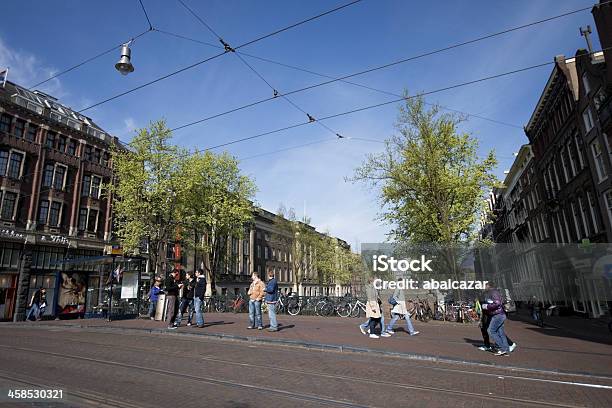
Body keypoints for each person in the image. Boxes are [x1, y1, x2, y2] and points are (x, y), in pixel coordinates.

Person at [481, 282, 511, 356]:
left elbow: (497, 303)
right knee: (500, 333)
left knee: (491, 331)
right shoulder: (494, 292)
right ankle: (506, 350)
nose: (484, 287)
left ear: (489, 286)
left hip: (498, 315)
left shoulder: (493, 292)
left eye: (485, 286)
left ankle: (502, 348)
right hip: (499, 314)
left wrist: (487, 306)